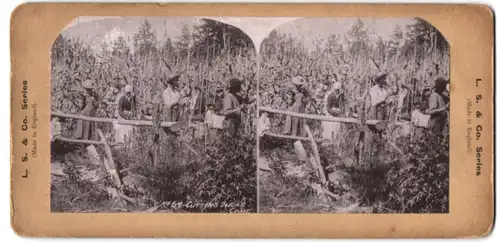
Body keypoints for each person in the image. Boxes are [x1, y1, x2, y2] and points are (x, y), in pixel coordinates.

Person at [322, 81, 343, 149]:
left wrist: (340, 111)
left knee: (337, 131)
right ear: (334, 89)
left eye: (338, 90)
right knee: (328, 129)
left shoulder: (341, 96)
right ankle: (328, 145)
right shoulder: (330, 96)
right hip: (331, 114)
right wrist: (333, 112)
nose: (337, 91)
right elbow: (328, 107)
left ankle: (336, 146)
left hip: (338, 114)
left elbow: (342, 106)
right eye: (336, 90)